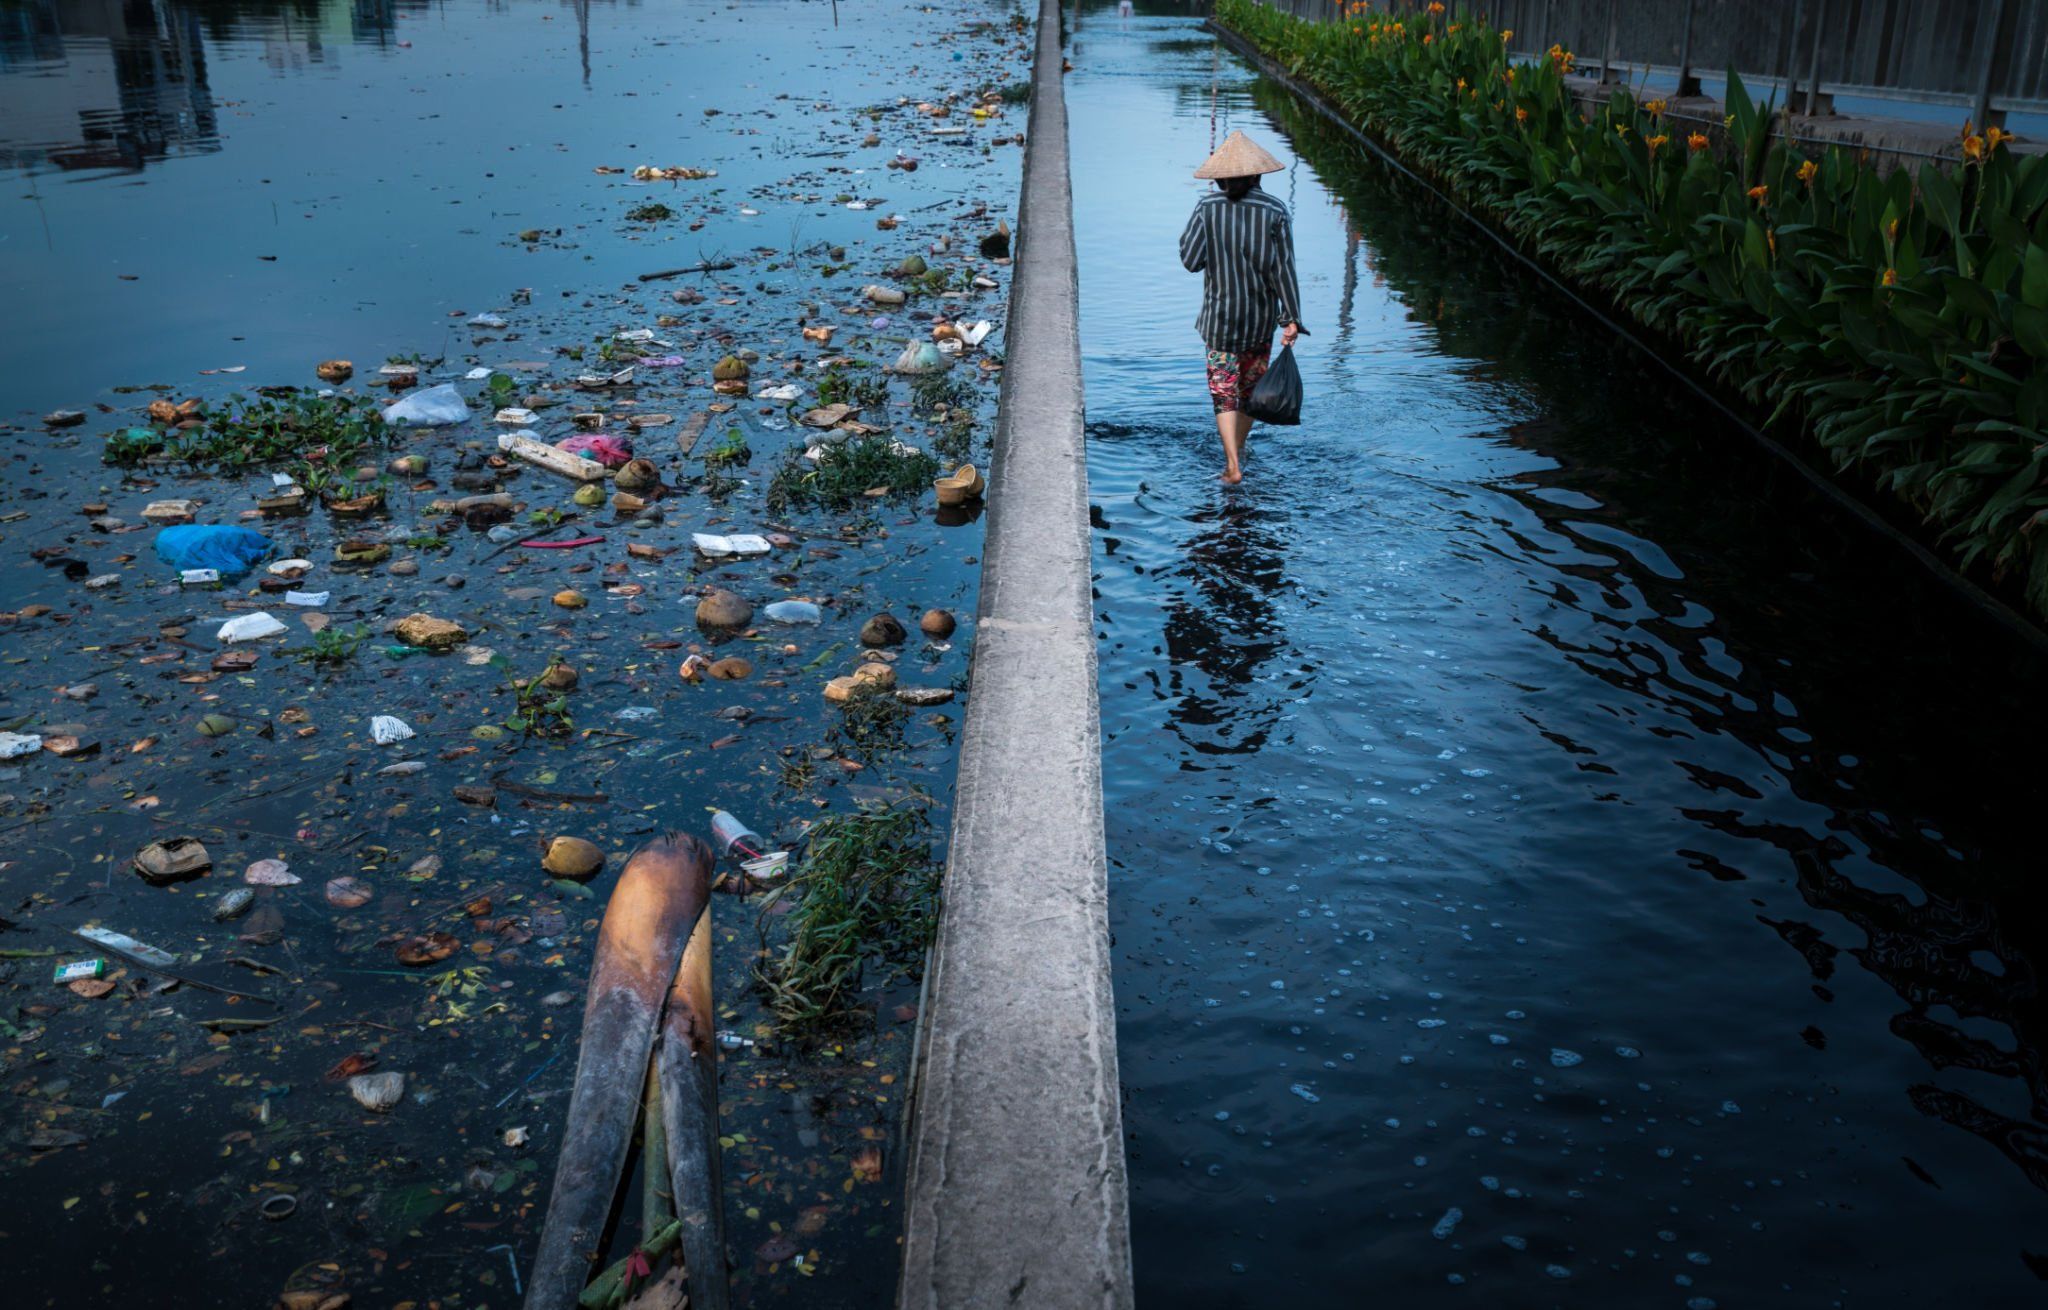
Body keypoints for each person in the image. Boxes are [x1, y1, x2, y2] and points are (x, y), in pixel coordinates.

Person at [1178, 130, 1305, 484]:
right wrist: (1291, 318)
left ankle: (1231, 463)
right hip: (1259, 321)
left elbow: (1190, 260)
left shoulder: (1207, 207)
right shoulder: (1275, 210)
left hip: (1218, 321)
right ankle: (1240, 449)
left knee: (1223, 392)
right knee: (1249, 389)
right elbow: (1285, 269)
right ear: (1256, 175)